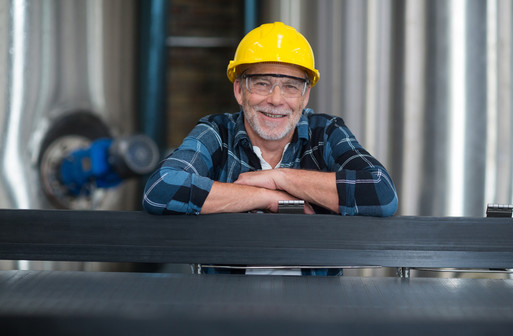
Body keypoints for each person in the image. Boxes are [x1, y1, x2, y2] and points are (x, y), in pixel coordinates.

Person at [143, 22, 398, 275]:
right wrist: (272, 198)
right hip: (226, 304)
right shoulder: (217, 132)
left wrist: (279, 177)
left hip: (317, 305)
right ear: (239, 91)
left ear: (305, 96)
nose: (276, 99)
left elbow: (382, 192)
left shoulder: (326, 132)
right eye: (262, 84)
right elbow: (161, 188)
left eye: (291, 86)